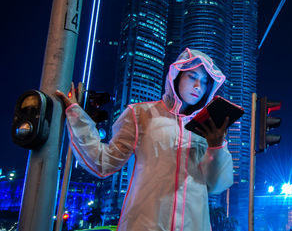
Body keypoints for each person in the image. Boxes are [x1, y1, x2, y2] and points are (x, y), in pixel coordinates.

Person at [55, 48, 234, 231]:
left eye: (204, 82)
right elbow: (104, 162)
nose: (198, 86)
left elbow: (216, 184)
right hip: (144, 224)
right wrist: (76, 115)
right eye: (192, 76)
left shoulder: (209, 129)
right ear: (177, 75)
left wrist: (216, 146)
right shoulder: (141, 114)